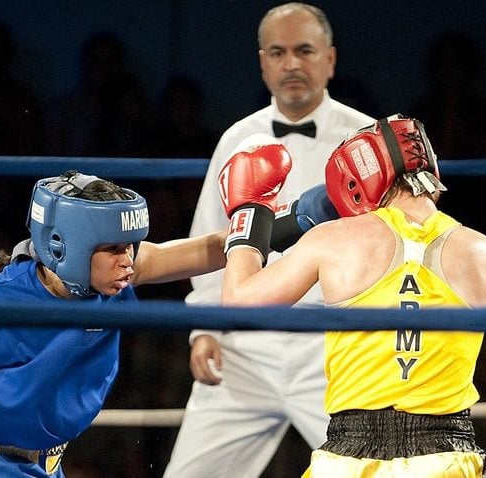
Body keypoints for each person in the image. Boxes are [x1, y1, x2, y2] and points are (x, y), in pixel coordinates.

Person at [0, 171, 231, 476]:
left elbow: (215, 248)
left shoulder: (120, 272)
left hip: (45, 464)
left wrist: (272, 223)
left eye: (131, 246)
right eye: (113, 249)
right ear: (64, 247)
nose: (128, 260)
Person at [217, 115, 486, 477]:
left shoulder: (336, 239)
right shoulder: (484, 253)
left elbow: (237, 308)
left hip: (348, 460)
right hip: (448, 458)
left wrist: (249, 211)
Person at [168, 3, 374, 476]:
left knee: (377, 469)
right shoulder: (237, 139)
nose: (292, 65)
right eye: (278, 53)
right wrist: (204, 331)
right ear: (263, 63)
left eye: (304, 50)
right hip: (245, 350)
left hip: (332, 346)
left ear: (330, 59)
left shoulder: (366, 140)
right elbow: (208, 242)